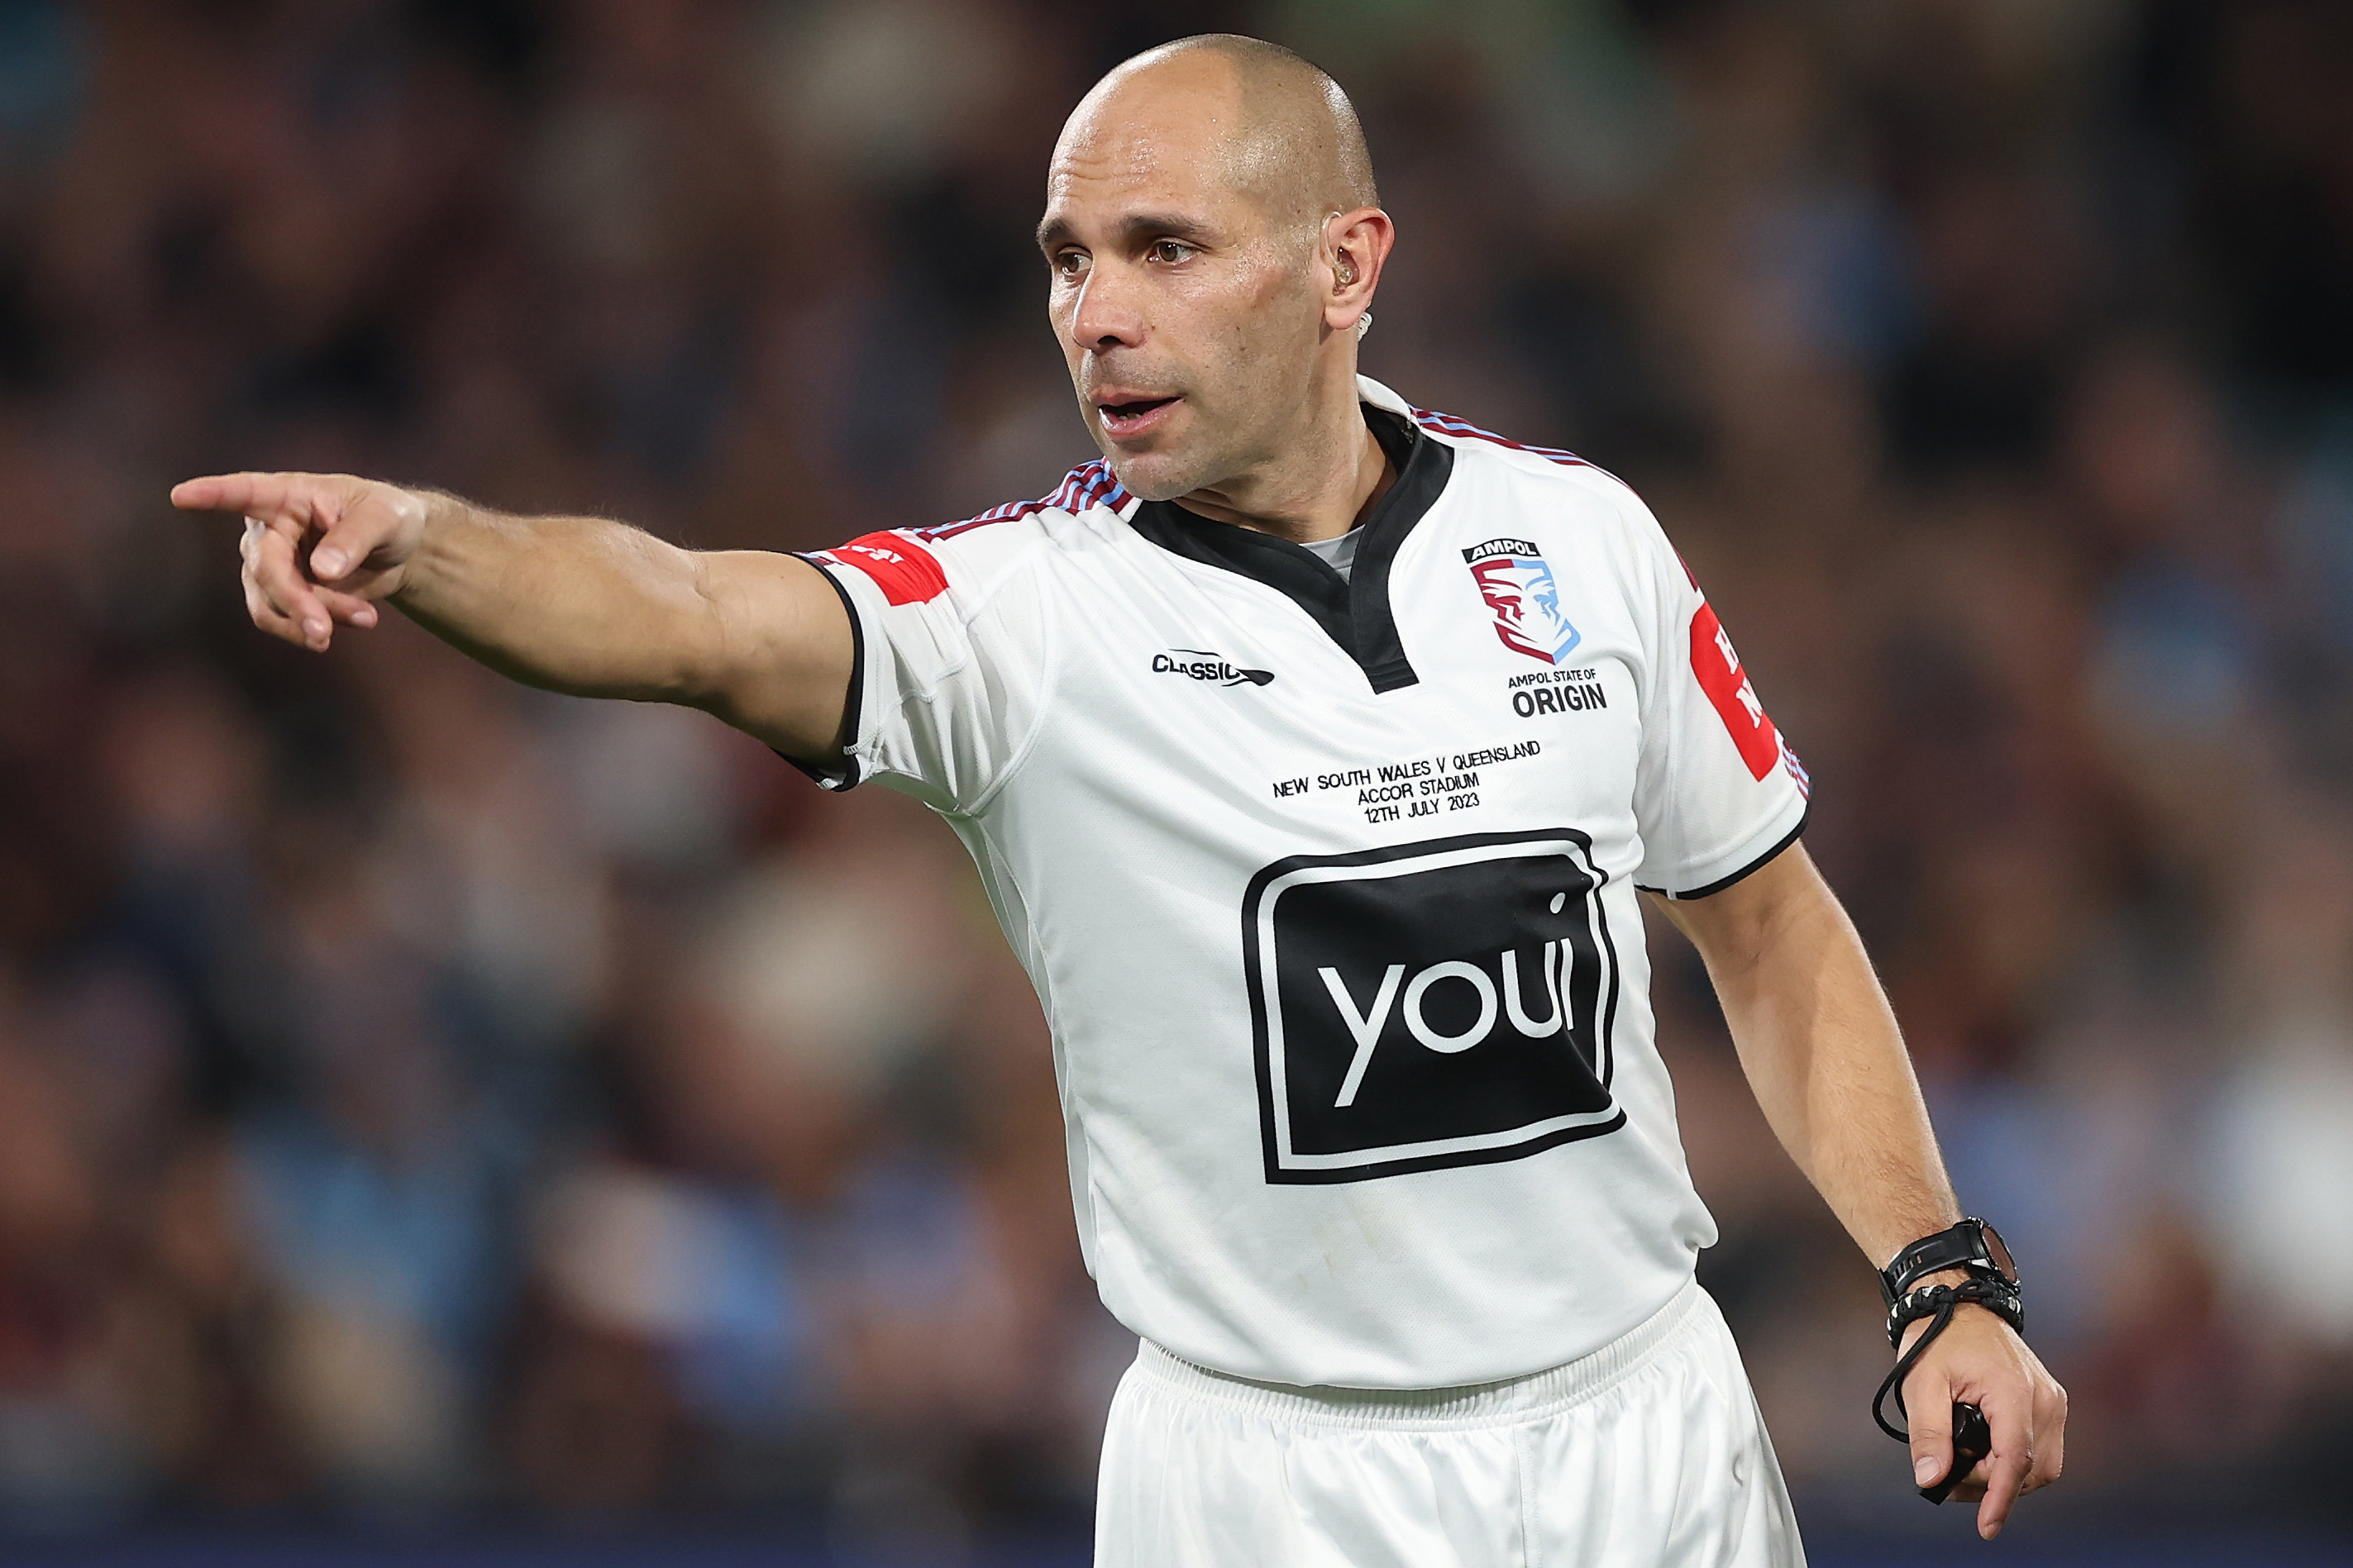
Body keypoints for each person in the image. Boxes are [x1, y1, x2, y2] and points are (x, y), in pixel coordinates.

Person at [175, 33, 2065, 1566]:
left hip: (1646, 1440)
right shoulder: (1019, 620)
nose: (1095, 313)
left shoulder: (1580, 540)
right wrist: (428, 543)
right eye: (1069, 261)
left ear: (1347, 265)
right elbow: (683, 609)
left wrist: (1936, 1275)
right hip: (1267, 1490)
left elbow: (1765, 917)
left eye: (1164, 248)